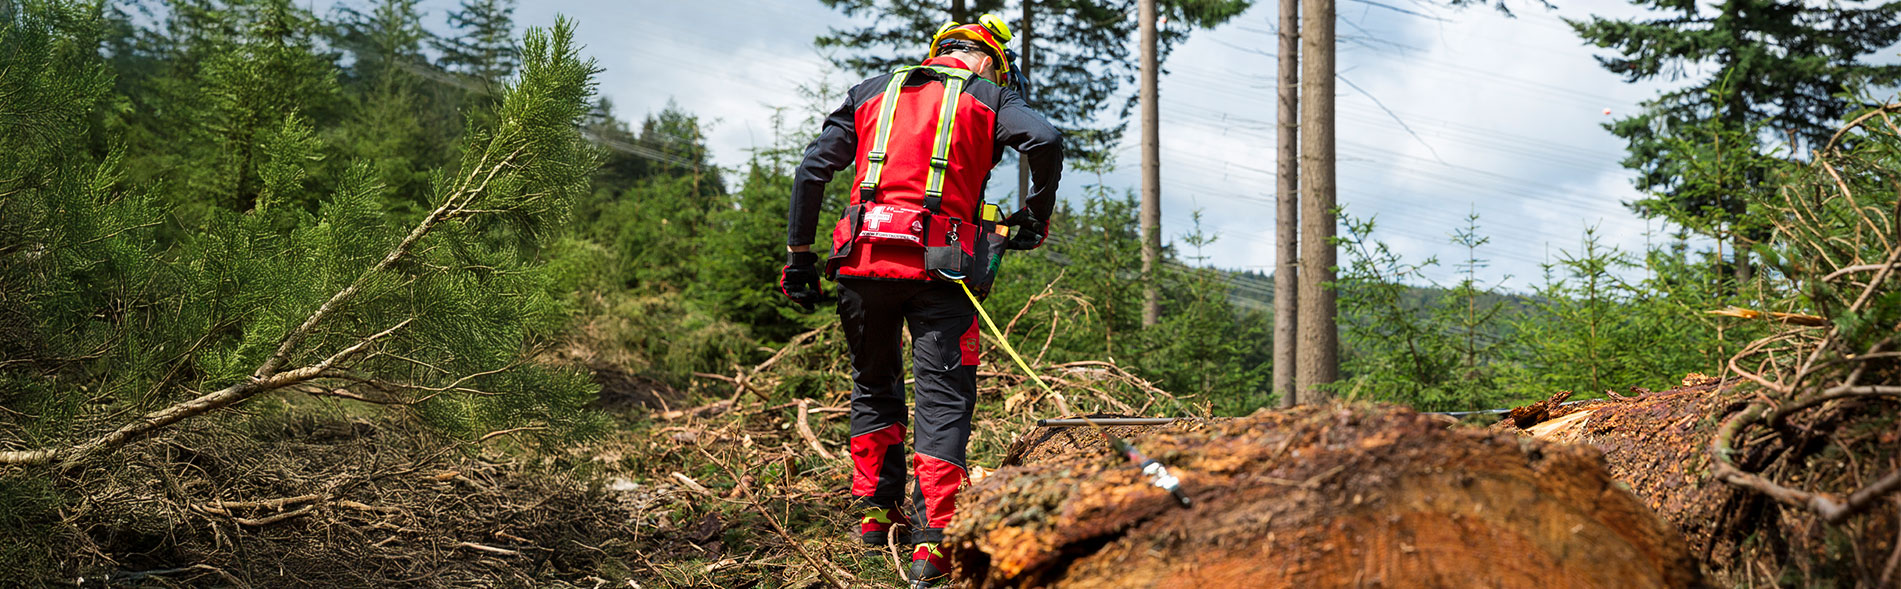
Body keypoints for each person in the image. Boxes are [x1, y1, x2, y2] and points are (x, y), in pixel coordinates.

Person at [778, 14, 1062, 587]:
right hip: (942, 275)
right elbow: (1047, 139)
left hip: (860, 265)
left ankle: (874, 519)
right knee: (944, 400)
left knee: (872, 384)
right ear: (988, 59)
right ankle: (932, 544)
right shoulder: (987, 95)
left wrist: (799, 257)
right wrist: (1036, 213)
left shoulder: (870, 92)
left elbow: (812, 171)